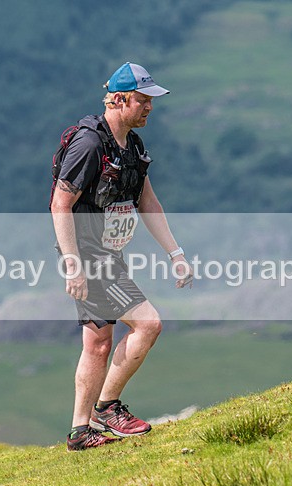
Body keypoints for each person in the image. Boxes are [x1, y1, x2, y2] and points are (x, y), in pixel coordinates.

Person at [51, 62, 192, 451]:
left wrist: (175, 253)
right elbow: (60, 204)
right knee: (147, 323)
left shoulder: (132, 145)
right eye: (142, 101)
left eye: (151, 101)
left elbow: (148, 201)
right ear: (118, 99)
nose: (149, 108)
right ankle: (106, 408)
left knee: (97, 343)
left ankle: (81, 432)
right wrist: (73, 264)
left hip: (109, 253)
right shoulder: (89, 144)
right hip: (89, 255)